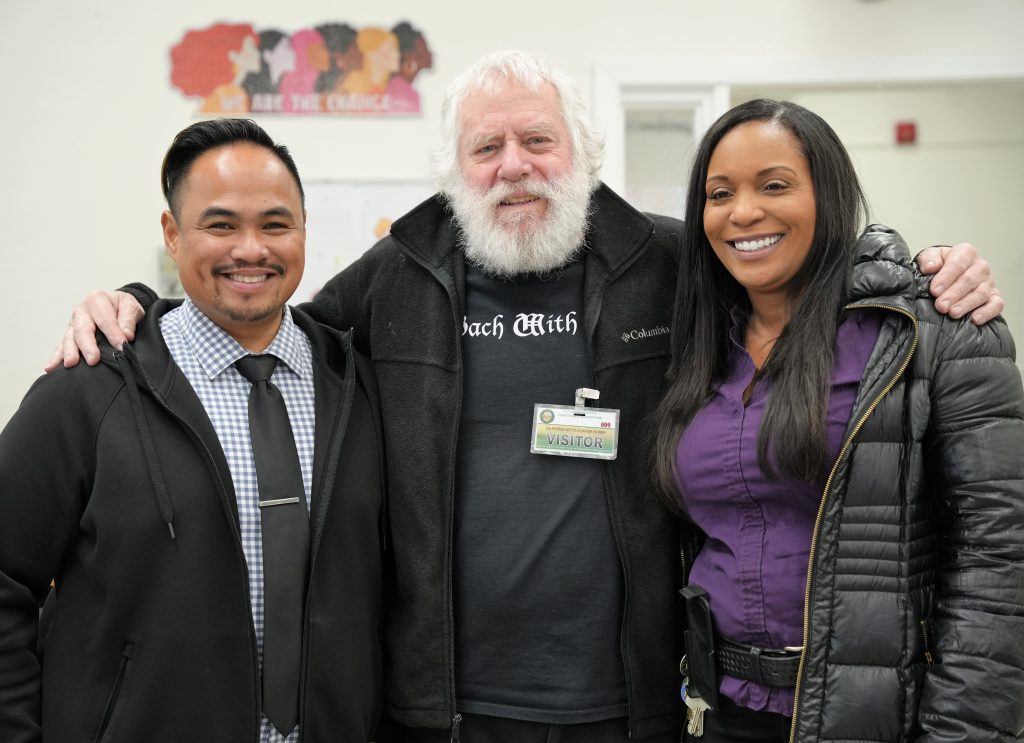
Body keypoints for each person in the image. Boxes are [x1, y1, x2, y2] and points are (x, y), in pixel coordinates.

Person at [50, 52, 1004, 742]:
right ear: (454, 170)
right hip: (444, 705)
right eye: (487, 147)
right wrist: (137, 304)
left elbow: (795, 268)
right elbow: (260, 310)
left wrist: (926, 268)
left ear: (582, 154)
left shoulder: (669, 263)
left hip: (639, 699)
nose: (513, 165)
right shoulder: (394, 278)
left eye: (538, 140)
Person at [1, 119, 387, 742]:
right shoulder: (89, 388)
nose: (251, 249)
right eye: (221, 224)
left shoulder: (361, 389)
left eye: (275, 224)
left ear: (304, 234)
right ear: (172, 235)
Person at [652, 99, 1024, 742]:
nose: (743, 213)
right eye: (720, 194)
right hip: (719, 714)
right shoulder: (699, 348)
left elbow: (1000, 554)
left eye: (774, 185)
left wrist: (963, 731)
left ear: (829, 194)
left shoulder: (929, 328)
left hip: (876, 715)